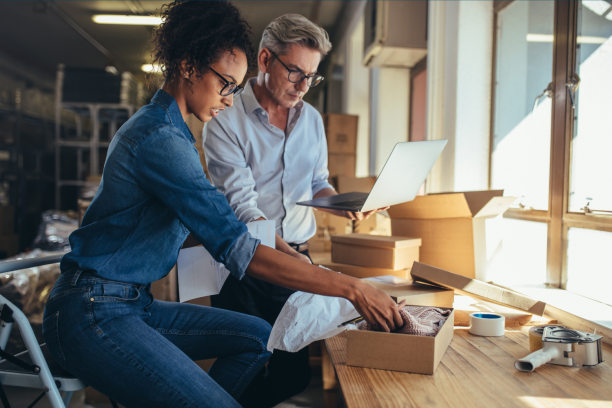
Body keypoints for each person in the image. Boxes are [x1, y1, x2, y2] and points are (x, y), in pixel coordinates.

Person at [42, 2, 404, 408]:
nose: (231, 100)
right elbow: (237, 243)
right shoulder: (160, 139)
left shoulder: (176, 134)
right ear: (187, 66)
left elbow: (222, 220)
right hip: (93, 310)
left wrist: (302, 261)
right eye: (226, 85)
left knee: (256, 338)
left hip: (132, 302)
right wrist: (352, 289)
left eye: (235, 87)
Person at [204, 14, 387, 407]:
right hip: (247, 261)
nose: (303, 86)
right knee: (244, 364)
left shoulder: (313, 121)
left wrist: (342, 205)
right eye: (295, 73)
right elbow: (243, 208)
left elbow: (317, 180)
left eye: (312, 76)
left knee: (294, 373)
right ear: (265, 60)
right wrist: (295, 262)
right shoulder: (225, 118)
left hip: (298, 256)